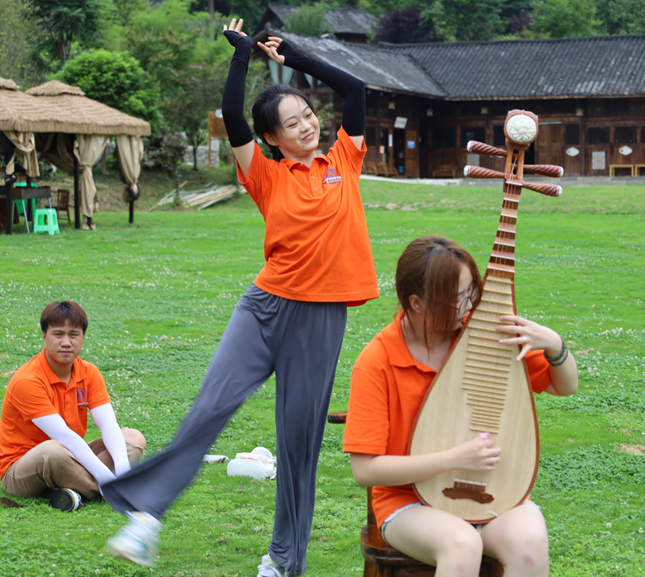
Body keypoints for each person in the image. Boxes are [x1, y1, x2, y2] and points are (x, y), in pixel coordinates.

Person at [102, 18, 377, 577]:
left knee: (298, 446)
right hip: (264, 309)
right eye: (291, 123)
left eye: (308, 115)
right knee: (209, 409)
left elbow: (355, 90)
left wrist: (296, 58)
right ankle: (146, 517)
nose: (306, 126)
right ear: (271, 138)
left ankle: (283, 562)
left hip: (320, 320)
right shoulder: (265, 174)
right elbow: (232, 115)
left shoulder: (343, 160)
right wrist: (241, 57)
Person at [342, 237, 578, 577]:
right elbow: (365, 470)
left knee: (530, 542)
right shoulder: (377, 361)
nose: (469, 307)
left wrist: (554, 344)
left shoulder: (484, 337)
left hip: (492, 491)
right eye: (458, 299)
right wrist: (453, 459)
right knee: (462, 544)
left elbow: (564, 386)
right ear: (417, 302)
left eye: (471, 293)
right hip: (407, 502)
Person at [0, 301, 145, 512]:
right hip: (21, 468)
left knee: (133, 437)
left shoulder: (89, 372)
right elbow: (63, 436)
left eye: (73, 334)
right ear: (44, 336)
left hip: (69, 454)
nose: (66, 342)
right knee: (52, 451)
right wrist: (104, 476)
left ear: (83, 337)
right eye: (58, 334)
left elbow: (108, 425)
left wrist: (123, 472)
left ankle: (74, 490)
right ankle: (105, 489)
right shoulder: (27, 380)